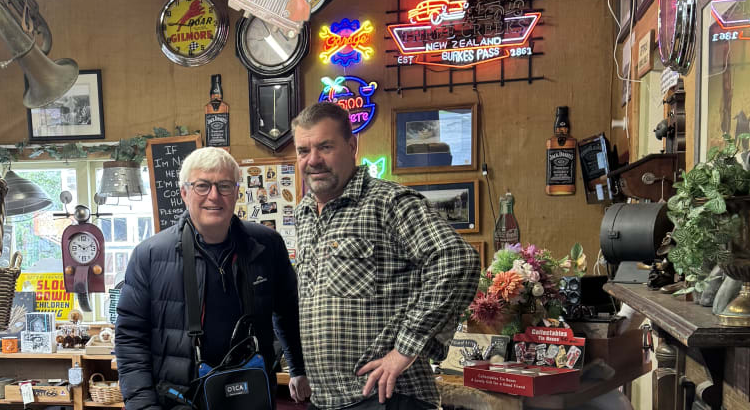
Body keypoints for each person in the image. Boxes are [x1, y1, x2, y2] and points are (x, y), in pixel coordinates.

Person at [292, 102, 480, 410]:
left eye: (325, 147)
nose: (313, 160)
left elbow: (456, 260)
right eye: (303, 150)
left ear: (352, 145)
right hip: (328, 400)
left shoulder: (388, 202)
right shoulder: (304, 213)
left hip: (387, 397)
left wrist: (404, 351)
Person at [115, 147, 310, 409]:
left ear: (237, 192)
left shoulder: (267, 245)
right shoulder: (149, 255)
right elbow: (130, 338)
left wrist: (298, 368)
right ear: (184, 192)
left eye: (225, 186)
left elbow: (288, 312)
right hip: (180, 399)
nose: (214, 196)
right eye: (202, 186)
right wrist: (142, 405)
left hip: (252, 395)